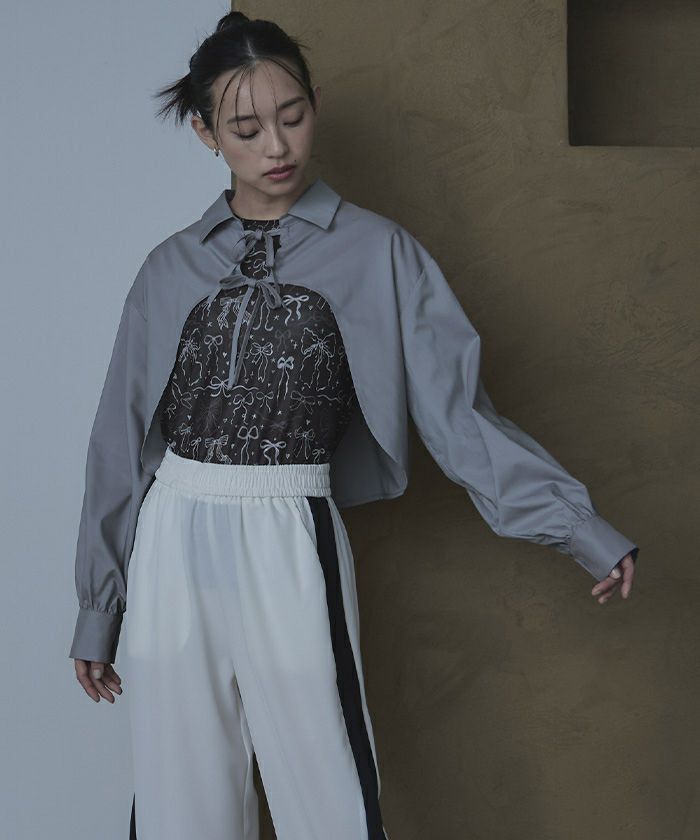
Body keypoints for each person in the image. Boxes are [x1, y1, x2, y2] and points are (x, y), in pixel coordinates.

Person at [69, 11, 639, 840]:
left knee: (327, 794)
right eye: (246, 129)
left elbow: (459, 416)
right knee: (176, 803)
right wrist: (99, 607)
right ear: (206, 134)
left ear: (317, 103)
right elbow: (117, 441)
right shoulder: (169, 267)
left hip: (290, 528)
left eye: (293, 116)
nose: (277, 146)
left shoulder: (381, 254)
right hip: (171, 538)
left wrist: (578, 526)